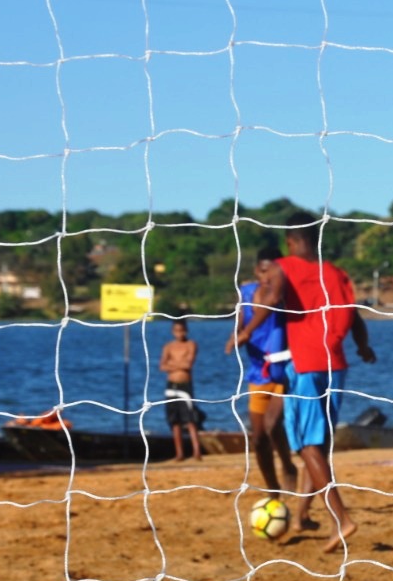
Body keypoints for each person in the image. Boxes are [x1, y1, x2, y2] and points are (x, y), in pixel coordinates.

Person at [233, 211, 376, 553]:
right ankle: (301, 515)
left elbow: (268, 300)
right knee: (319, 446)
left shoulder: (286, 266)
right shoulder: (336, 272)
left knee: (307, 447)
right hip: (337, 364)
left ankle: (342, 520)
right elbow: (354, 314)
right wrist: (363, 345)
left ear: (291, 241)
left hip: (307, 365)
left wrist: (245, 332)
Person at [228, 245, 300, 494]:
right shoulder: (246, 293)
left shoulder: (283, 295)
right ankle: (272, 487)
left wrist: (246, 333)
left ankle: (289, 466)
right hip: (258, 373)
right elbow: (239, 325)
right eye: (263, 271)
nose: (267, 278)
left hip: (286, 370)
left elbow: (274, 305)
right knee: (258, 438)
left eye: (272, 272)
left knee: (272, 424)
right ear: (256, 271)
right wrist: (237, 336)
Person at [160, 318, 202, 462]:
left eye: (182, 330)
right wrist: (178, 364)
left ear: (186, 331)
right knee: (174, 420)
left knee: (190, 419)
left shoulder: (191, 344)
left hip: (185, 386)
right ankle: (180, 453)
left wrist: (172, 363)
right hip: (171, 386)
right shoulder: (168, 346)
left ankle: (197, 451)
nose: (179, 334)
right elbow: (162, 366)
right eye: (176, 331)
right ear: (173, 332)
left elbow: (188, 364)